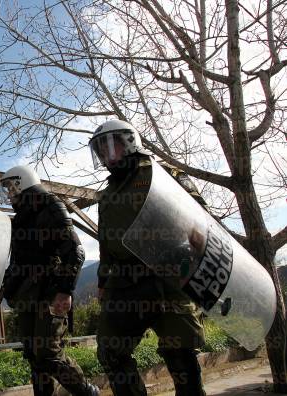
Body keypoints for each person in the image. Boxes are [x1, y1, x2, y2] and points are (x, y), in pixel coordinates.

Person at [89, 119, 207, 396]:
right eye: (100, 150)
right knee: (110, 351)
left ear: (129, 142)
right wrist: (103, 282)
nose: (106, 155)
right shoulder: (106, 195)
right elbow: (106, 243)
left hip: (167, 277)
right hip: (125, 285)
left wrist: (190, 262)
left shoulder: (163, 174)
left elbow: (200, 217)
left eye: (110, 146)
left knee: (180, 354)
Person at [0, 165, 100, 396]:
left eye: (11, 187)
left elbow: (76, 252)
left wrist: (64, 292)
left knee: (48, 353)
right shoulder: (20, 219)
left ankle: (88, 392)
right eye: (5, 188)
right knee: (35, 356)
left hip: (50, 293)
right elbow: (17, 262)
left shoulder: (51, 206)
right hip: (27, 295)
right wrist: (4, 286)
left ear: (23, 183)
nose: (8, 193)